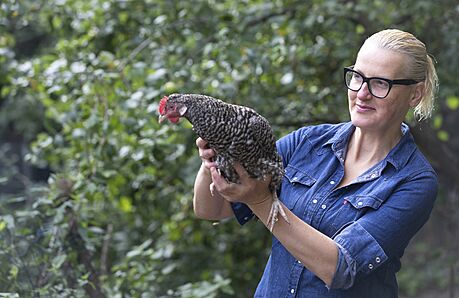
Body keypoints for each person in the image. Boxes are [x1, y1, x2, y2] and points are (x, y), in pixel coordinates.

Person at [193, 28, 439, 297]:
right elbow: (212, 210)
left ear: (415, 94)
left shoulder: (415, 181)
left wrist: (261, 202)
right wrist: (214, 159)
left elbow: (340, 267)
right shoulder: (307, 142)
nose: (362, 93)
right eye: (357, 77)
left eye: (380, 83)